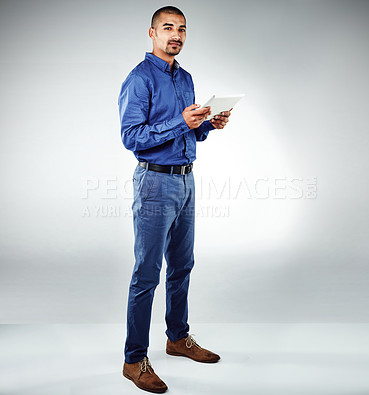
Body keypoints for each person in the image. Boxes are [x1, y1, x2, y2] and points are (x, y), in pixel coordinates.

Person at [118, 6, 231, 393]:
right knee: (147, 273)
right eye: (168, 28)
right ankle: (134, 360)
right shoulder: (139, 79)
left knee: (182, 264)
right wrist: (181, 121)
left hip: (186, 181)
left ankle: (177, 338)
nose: (176, 35)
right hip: (154, 183)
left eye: (182, 29)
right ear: (152, 33)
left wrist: (208, 125)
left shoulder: (186, 78)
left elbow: (190, 134)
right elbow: (132, 138)